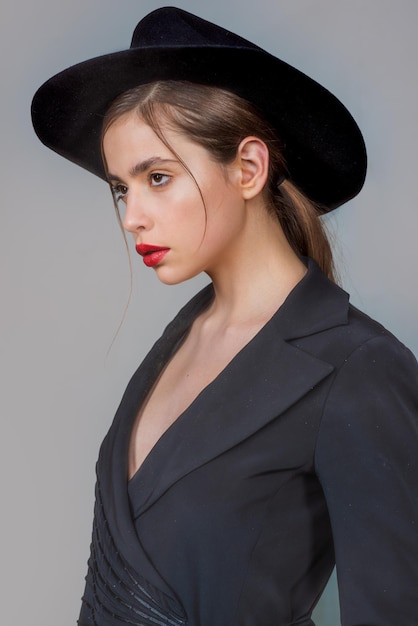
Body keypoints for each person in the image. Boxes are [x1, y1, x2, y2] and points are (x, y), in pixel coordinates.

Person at [31, 7, 418, 626]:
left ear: (248, 168)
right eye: (121, 189)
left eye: (157, 178)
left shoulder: (357, 368)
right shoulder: (181, 339)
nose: (132, 215)